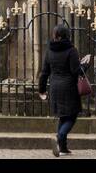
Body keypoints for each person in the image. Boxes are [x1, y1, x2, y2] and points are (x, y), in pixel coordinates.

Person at [37, 23, 89, 156]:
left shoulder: (49, 50)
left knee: (63, 116)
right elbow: (76, 71)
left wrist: (41, 89)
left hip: (54, 87)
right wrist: (85, 63)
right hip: (69, 87)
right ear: (67, 36)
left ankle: (63, 148)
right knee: (72, 116)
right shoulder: (71, 50)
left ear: (55, 36)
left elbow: (44, 73)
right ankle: (59, 137)